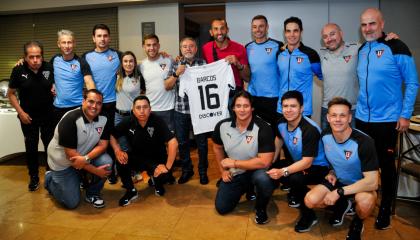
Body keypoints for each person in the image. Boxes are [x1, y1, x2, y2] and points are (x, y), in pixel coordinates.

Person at [356, 8, 419, 230]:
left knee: (386, 166)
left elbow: (412, 83)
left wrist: (405, 114)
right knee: (363, 164)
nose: (368, 29)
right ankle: (363, 204)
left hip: (387, 121)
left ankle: (385, 209)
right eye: (364, 25)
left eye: (372, 24)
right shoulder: (363, 49)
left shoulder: (397, 47)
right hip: (362, 119)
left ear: (382, 24)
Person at [304, 97, 379, 240]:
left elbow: (373, 181)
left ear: (350, 118)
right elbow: (332, 158)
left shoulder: (364, 141)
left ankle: (357, 222)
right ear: (328, 117)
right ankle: (343, 205)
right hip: (339, 180)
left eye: (342, 115)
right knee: (310, 200)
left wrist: (339, 192)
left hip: (361, 184)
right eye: (334, 115)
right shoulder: (325, 135)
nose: (337, 119)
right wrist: (331, 171)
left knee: (364, 203)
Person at [267, 90, 329, 232]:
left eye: (293, 106)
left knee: (294, 177)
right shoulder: (281, 122)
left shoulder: (310, 129)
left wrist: (283, 171)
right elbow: (279, 139)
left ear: (301, 108)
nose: (288, 110)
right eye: (285, 106)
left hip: (317, 167)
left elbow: (307, 162)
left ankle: (309, 215)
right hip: (299, 162)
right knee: (270, 169)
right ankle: (298, 192)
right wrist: (272, 162)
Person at [319, 23, 399, 129]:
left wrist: (388, 39)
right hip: (328, 110)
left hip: (352, 110)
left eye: (332, 34)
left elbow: (376, 48)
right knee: (327, 143)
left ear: (341, 33)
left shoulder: (357, 49)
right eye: (325, 36)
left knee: (356, 144)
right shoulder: (320, 54)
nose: (329, 39)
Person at [213, 91, 275, 224]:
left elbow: (265, 162)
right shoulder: (222, 126)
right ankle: (247, 188)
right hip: (237, 173)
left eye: (246, 106)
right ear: (233, 108)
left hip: (257, 170)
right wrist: (222, 171)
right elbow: (217, 147)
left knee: (264, 179)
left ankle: (261, 208)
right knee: (222, 208)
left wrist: (234, 163)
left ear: (252, 108)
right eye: (238, 106)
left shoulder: (264, 128)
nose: (242, 110)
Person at [45, 89, 113, 209]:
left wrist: (86, 158)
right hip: (62, 163)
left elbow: (103, 145)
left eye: (98, 103)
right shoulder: (70, 119)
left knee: (106, 162)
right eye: (91, 101)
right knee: (71, 203)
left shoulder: (104, 118)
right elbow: (72, 157)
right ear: (83, 101)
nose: (94, 106)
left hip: (82, 157)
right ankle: (50, 179)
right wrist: (96, 171)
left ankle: (92, 194)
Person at [110, 96, 178, 206]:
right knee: (121, 160)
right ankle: (131, 191)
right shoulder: (128, 121)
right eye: (138, 107)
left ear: (150, 109)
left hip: (156, 159)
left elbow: (173, 142)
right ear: (133, 110)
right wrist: (117, 150)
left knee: (164, 178)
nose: (142, 111)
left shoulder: (157, 120)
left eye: (145, 107)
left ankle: (156, 179)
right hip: (138, 158)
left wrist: (167, 167)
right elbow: (112, 135)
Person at [8, 40, 54, 191]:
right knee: (31, 148)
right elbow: (11, 94)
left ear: (42, 56)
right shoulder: (18, 70)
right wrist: (20, 113)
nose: (35, 60)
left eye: (38, 56)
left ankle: (50, 176)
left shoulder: (49, 67)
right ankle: (33, 177)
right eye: (31, 57)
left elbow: (56, 85)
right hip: (28, 118)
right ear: (25, 57)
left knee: (50, 147)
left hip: (48, 115)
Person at [164, 37, 209, 185]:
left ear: (196, 49)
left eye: (191, 46)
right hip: (180, 111)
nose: (188, 49)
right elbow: (167, 86)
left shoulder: (203, 63)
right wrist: (176, 74)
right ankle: (187, 170)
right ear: (181, 50)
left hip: (199, 111)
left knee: (202, 143)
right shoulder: (175, 63)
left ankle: (203, 171)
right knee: (182, 143)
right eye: (184, 46)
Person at [83, 24, 121, 184]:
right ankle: (88, 171)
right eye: (99, 36)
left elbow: (133, 63)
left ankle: (111, 171)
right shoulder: (85, 57)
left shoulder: (117, 55)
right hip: (93, 106)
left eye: (105, 35)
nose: (102, 39)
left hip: (112, 105)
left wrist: (162, 54)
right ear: (93, 38)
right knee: (91, 139)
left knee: (110, 136)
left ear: (109, 38)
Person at [276, 17, 323, 117]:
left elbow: (322, 76)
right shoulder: (279, 54)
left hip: (302, 110)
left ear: (301, 32)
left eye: (295, 31)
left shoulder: (311, 54)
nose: (292, 35)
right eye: (288, 31)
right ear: (285, 33)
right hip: (282, 109)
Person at [245, 15, 283, 132]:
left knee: (275, 132)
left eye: (261, 26)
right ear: (252, 29)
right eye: (254, 27)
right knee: (256, 132)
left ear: (267, 27)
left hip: (273, 97)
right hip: (254, 96)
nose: (258, 29)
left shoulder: (278, 46)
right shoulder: (247, 47)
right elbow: (246, 72)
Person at [50, 29, 96, 127]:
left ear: (74, 43)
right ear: (58, 44)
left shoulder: (81, 62)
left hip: (77, 107)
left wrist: (94, 102)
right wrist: (23, 61)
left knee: (78, 139)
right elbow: (42, 71)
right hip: (58, 108)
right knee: (60, 139)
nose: (67, 46)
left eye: (69, 42)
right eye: (64, 42)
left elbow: (89, 82)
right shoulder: (55, 60)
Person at [115, 51, 145, 182]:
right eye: (125, 61)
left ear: (135, 62)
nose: (128, 64)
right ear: (122, 63)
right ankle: (126, 172)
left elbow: (143, 95)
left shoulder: (139, 77)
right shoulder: (116, 76)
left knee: (134, 144)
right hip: (118, 116)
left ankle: (136, 170)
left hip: (132, 117)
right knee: (123, 146)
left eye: (131, 61)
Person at [139, 34, 175, 133]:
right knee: (152, 142)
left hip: (168, 109)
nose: (152, 48)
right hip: (150, 110)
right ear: (144, 47)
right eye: (148, 45)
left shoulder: (169, 60)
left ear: (158, 46)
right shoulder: (141, 65)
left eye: (154, 45)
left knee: (171, 142)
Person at [202, 18, 250, 92]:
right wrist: (181, 59)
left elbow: (247, 78)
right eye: (216, 29)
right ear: (211, 32)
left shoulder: (239, 48)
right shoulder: (206, 48)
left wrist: (238, 64)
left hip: (234, 94)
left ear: (227, 30)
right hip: (215, 93)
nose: (219, 32)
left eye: (222, 28)